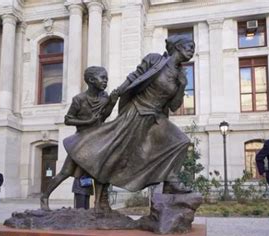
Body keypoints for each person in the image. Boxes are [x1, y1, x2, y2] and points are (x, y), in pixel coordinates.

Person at [62, 35, 195, 212]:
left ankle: (170, 181)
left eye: (193, 47)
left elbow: (173, 105)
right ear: (177, 47)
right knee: (116, 155)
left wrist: (181, 86)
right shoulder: (155, 60)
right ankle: (102, 199)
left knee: (181, 141)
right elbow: (135, 76)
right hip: (136, 112)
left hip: (156, 117)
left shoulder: (180, 75)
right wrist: (119, 91)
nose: (192, 50)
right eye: (189, 46)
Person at [40, 66, 118, 211]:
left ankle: (97, 206)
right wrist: (86, 122)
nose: (106, 81)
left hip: (96, 141)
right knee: (66, 172)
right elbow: (68, 119)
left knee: (100, 173)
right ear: (91, 80)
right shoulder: (79, 99)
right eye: (103, 78)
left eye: (107, 78)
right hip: (81, 142)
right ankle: (44, 196)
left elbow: (104, 116)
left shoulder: (104, 97)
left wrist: (112, 103)